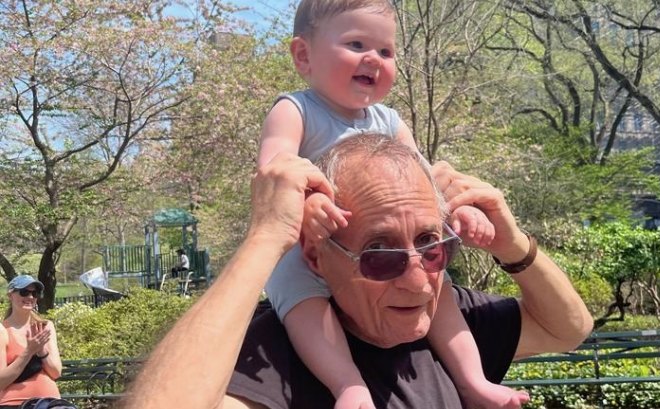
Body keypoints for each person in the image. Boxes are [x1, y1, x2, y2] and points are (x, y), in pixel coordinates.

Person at [122, 134, 593, 409]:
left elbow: (568, 328)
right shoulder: (274, 360)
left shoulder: (451, 329)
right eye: (379, 253)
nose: (416, 280)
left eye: (431, 246)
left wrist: (512, 243)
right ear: (316, 257)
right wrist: (264, 238)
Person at [257, 1, 524, 407]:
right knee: (303, 302)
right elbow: (274, 172)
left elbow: (424, 188)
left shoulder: (389, 121)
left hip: (386, 252)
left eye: (385, 51)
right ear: (304, 55)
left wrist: (459, 211)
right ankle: (349, 386)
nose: (373, 58)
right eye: (356, 43)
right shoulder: (295, 111)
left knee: (441, 294)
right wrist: (306, 205)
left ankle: (473, 380)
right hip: (308, 246)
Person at [0, 275, 63, 408]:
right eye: (24, 292)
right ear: (10, 295)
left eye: (34, 293)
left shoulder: (46, 326)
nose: (30, 297)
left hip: (50, 403)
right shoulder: (3, 330)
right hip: (15, 403)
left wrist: (41, 351)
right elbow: (1, 381)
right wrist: (29, 351)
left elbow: (56, 373)